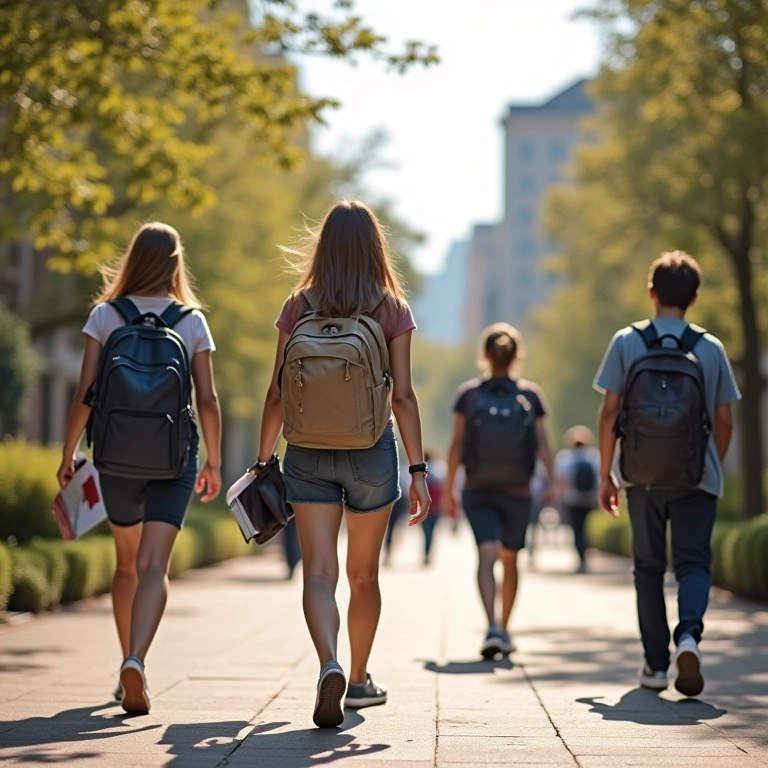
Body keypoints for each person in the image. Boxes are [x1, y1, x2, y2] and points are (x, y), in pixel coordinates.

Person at [255, 200, 430, 728]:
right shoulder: (392, 307)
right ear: (376, 247)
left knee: (319, 573)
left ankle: (327, 662)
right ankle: (357, 680)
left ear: (324, 245)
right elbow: (403, 397)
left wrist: (264, 459)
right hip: (372, 451)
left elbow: (276, 391)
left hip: (306, 451)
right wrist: (418, 471)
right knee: (364, 574)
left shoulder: (299, 304)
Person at [57, 222, 222, 714]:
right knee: (155, 566)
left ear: (132, 259)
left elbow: (85, 393)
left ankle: (125, 660)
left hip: (115, 458)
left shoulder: (105, 316)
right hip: (174, 460)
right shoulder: (190, 321)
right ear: (176, 262)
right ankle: (137, 658)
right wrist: (214, 458)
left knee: (126, 564)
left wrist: (67, 455)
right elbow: (208, 399)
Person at [595, 251, 740, 697]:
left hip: (641, 476)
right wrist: (706, 463)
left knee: (649, 570)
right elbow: (725, 419)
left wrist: (607, 474)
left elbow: (610, 413)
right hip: (696, 476)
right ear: (694, 299)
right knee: (694, 563)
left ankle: (656, 667)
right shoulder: (710, 348)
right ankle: (690, 638)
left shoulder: (626, 341)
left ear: (651, 293)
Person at [447, 323, 555, 659]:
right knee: (511, 559)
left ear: (485, 355)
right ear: (516, 355)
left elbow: (457, 445)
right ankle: (504, 629)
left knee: (486, 555)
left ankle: (492, 625)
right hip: (518, 491)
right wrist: (552, 481)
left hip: (478, 488)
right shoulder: (530, 395)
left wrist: (450, 487)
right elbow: (542, 443)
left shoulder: (469, 394)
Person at [554, 426, 600, 573]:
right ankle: (587, 551)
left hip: (573, 499)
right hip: (590, 499)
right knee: (587, 527)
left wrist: (559, 498)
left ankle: (581, 556)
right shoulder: (594, 456)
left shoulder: (565, 457)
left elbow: (562, 480)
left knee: (577, 528)